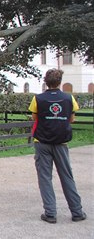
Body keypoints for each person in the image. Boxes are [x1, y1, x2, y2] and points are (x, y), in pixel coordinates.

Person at [28, 68, 87, 223]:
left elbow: (35, 117)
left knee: (45, 177)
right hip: (61, 142)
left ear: (46, 82)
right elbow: (72, 119)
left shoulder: (38, 99)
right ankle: (77, 212)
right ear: (60, 82)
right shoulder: (69, 98)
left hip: (42, 142)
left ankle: (50, 213)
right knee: (67, 176)